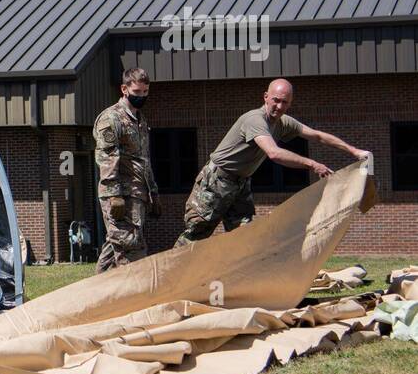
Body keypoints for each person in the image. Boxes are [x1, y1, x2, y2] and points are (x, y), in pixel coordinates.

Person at [175, 78, 370, 246]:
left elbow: (317, 136)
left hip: (241, 184)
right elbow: (274, 153)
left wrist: (354, 150)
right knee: (196, 235)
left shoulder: (283, 122)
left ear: (290, 103)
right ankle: (166, 283)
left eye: (284, 102)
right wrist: (312, 164)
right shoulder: (255, 120)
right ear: (265, 97)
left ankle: (244, 286)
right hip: (217, 181)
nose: (278, 106)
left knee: (245, 239)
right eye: (275, 100)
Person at [92, 68, 160, 272]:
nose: (142, 96)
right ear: (124, 89)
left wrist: (153, 192)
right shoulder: (111, 118)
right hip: (120, 194)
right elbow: (107, 157)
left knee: (116, 246)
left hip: (137, 192)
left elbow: (144, 159)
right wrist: (115, 196)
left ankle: (95, 291)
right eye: (137, 92)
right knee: (130, 247)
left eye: (145, 92)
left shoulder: (139, 120)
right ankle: (136, 295)